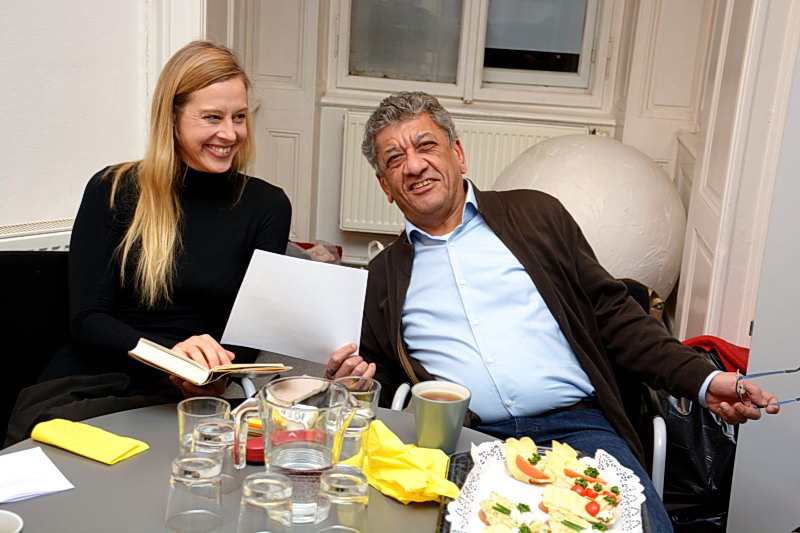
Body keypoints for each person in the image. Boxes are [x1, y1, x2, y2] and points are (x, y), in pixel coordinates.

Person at [325, 91, 780, 531]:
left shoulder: (537, 215)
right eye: (394, 159)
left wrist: (703, 380)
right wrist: (354, 382)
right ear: (385, 186)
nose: (414, 166)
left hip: (578, 428)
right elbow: (383, 380)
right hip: (467, 442)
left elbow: (616, 316)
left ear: (458, 155)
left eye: (426, 146)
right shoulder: (382, 276)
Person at [7, 41, 291, 444]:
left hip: (190, 394)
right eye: (212, 117)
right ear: (171, 117)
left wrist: (214, 374)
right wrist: (172, 358)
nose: (230, 133)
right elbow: (88, 320)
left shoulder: (267, 205)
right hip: (92, 383)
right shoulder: (113, 189)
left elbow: (251, 331)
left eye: (239, 117)